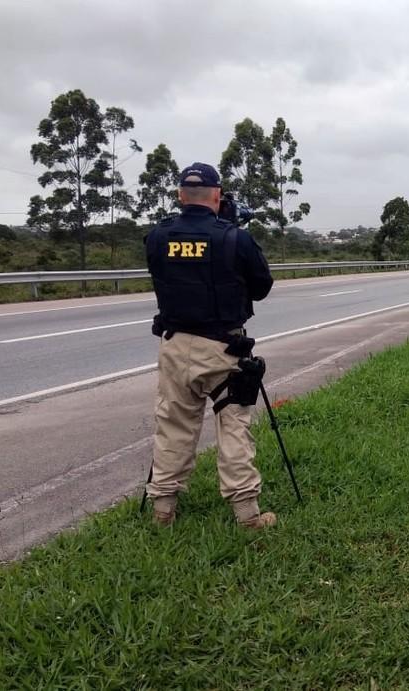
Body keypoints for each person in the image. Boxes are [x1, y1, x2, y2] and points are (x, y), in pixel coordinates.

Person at [144, 162, 275, 529]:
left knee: (173, 425)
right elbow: (261, 287)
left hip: (173, 345)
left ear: (180, 195)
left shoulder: (157, 236)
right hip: (222, 348)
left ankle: (163, 510)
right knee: (233, 425)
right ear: (217, 195)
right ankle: (247, 514)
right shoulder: (234, 238)